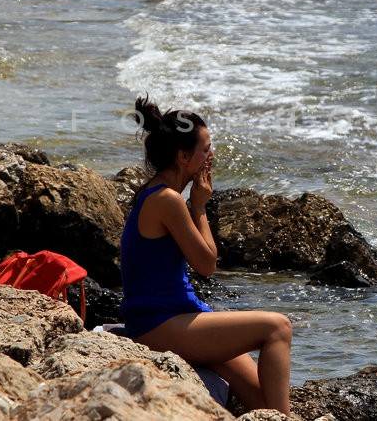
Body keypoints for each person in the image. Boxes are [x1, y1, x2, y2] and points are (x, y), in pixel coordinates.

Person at [120, 95, 292, 415]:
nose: (212, 155)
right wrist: (198, 207)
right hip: (158, 324)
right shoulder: (166, 199)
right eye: (206, 148)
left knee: (264, 401)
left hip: (182, 315)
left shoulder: (159, 192)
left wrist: (197, 205)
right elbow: (207, 264)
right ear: (184, 156)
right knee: (278, 327)